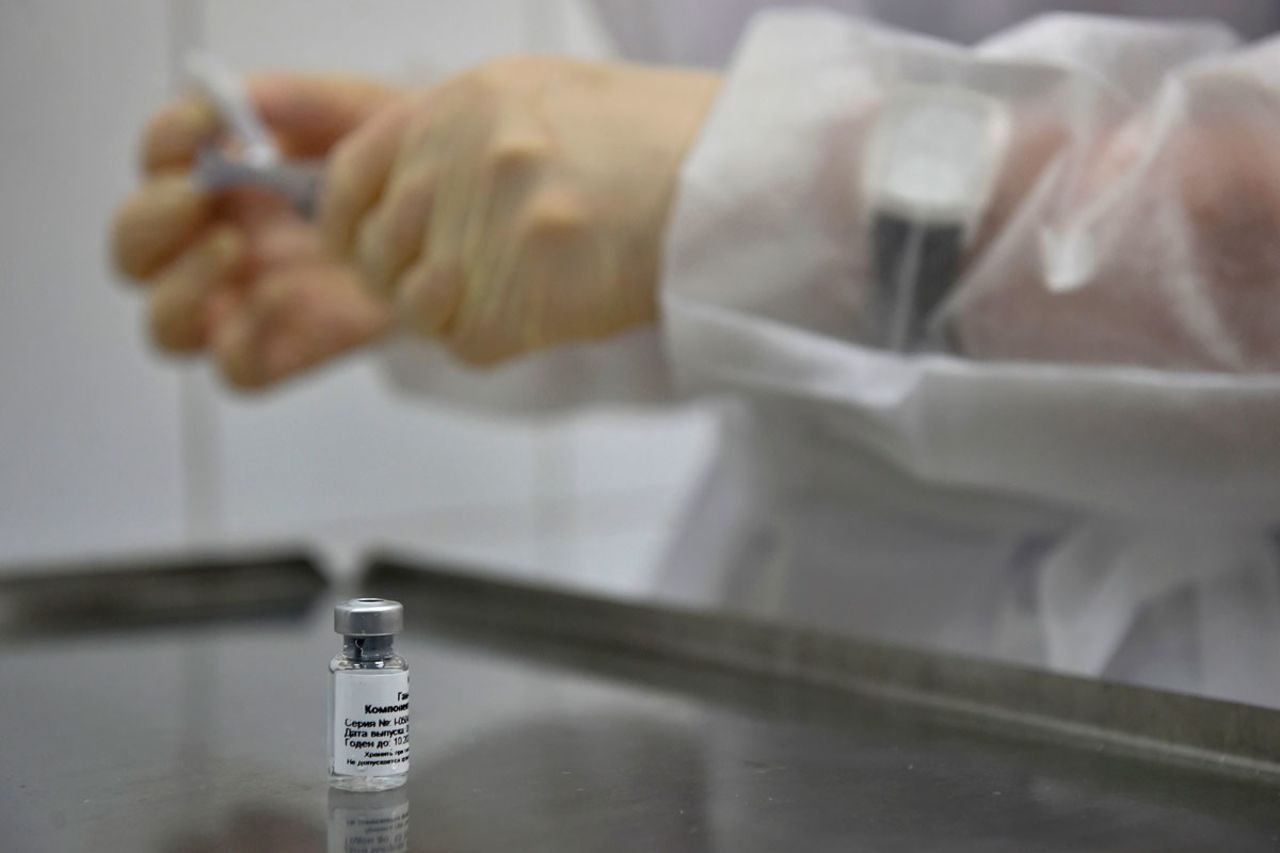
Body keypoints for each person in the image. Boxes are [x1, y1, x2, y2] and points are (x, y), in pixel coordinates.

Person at [110, 5, 1280, 705]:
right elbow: (816, 293)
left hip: (1210, 722)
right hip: (773, 677)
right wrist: (488, 235)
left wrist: (764, 188)